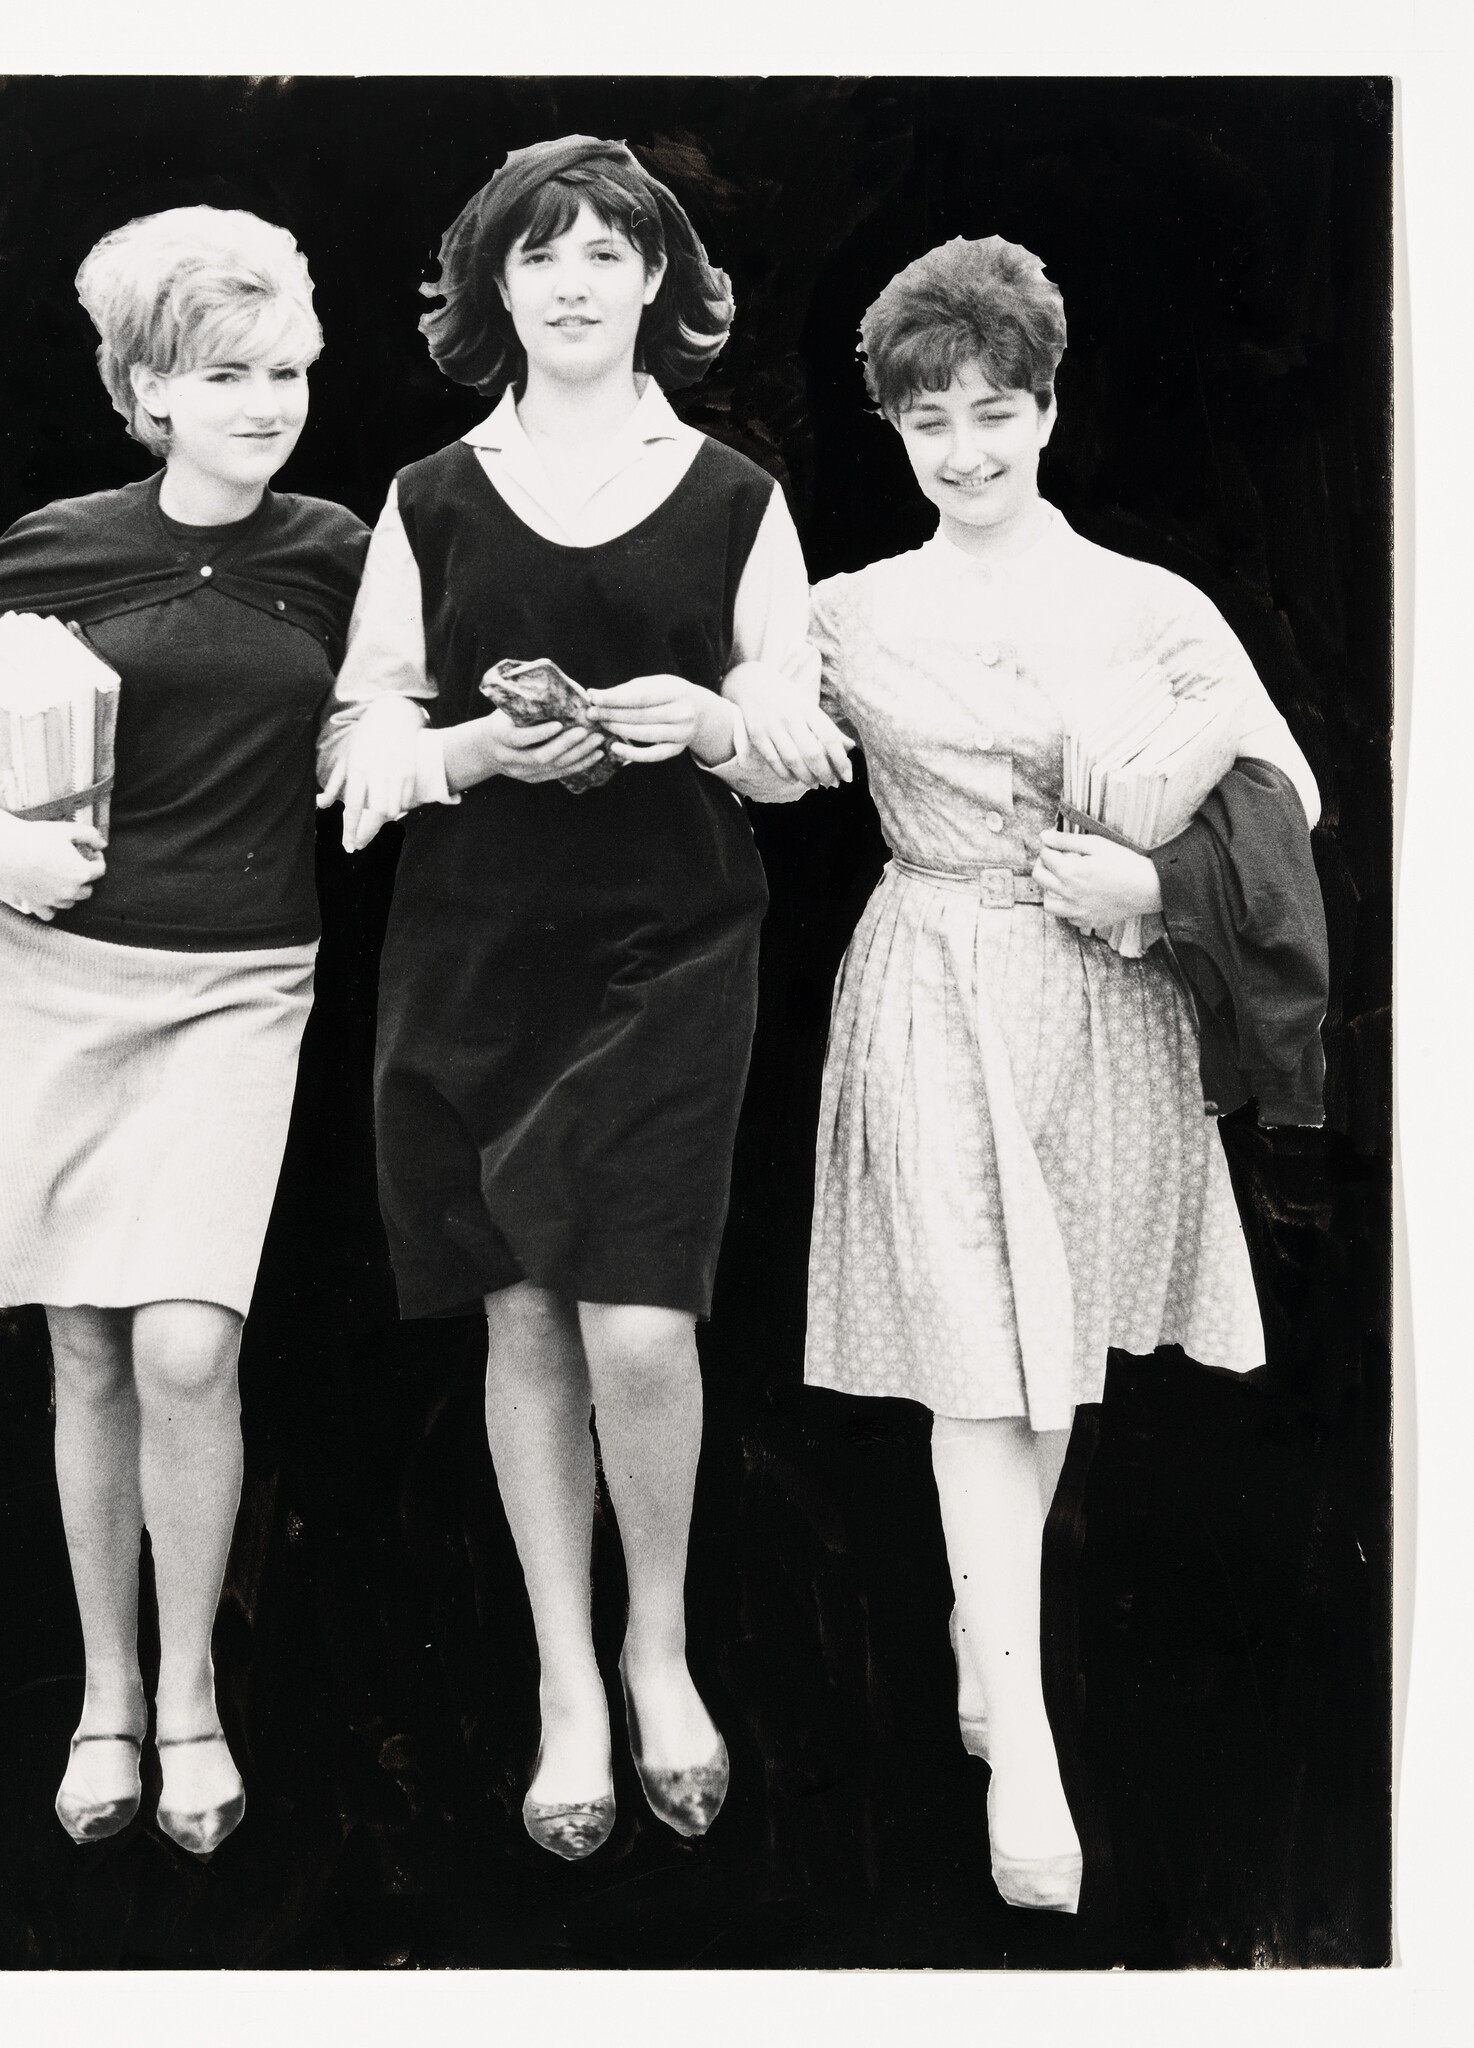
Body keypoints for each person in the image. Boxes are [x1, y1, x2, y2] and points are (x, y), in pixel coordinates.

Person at [319, 135, 848, 1859]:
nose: (567, 278)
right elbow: (360, 733)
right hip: (476, 949)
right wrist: (469, 747)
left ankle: (659, 1647)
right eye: (535, 253)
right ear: (493, 290)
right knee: (524, 1314)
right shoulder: (425, 497)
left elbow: (798, 741)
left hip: (670, 943)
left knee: (637, 1319)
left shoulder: (736, 493)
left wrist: (704, 723)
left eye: (604, 251)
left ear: (654, 285)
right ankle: (563, 1678)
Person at [802, 236, 1321, 1913]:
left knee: (1047, 1362)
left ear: (1047, 405)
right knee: (981, 1364)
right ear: (892, 429)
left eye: (995, 408)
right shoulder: (844, 610)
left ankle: (984, 1630)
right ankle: (1020, 1741)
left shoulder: (1148, 602)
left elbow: (1287, 794)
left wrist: (1155, 889)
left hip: (1099, 1002)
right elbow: (763, 738)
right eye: (928, 418)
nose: (965, 448)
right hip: (931, 981)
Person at [0, 206, 369, 1854]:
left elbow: (400, 711)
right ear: (146, 386)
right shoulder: (59, 543)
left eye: (290, 369)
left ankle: (194, 1694)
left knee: (185, 1339)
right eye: (226, 372)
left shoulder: (338, 548)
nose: (266, 401)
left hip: (243, 985)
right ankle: (111, 1697)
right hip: (52, 979)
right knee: (83, 1342)